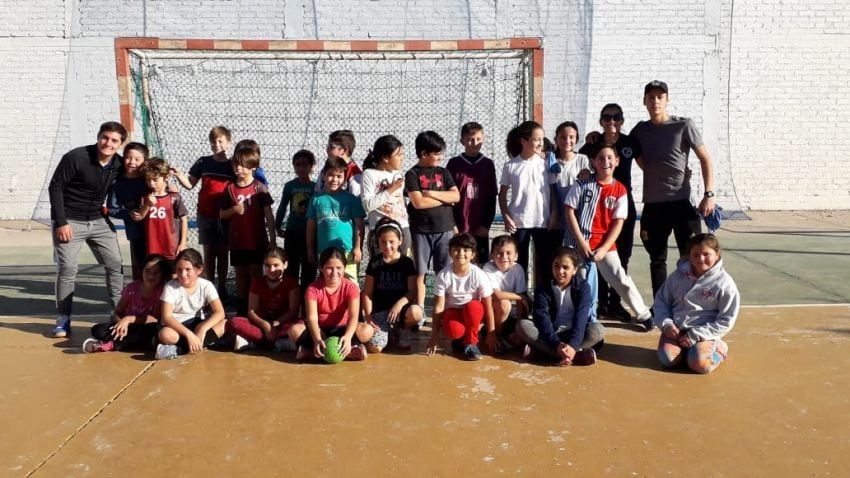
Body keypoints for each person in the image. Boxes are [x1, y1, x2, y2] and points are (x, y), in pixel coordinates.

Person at [631, 81, 716, 296]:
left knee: (690, 258)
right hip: (653, 205)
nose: (655, 101)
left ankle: (690, 302)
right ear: (645, 101)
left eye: (660, 97)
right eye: (651, 97)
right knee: (657, 260)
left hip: (681, 203)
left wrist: (709, 194)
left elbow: (705, 159)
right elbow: (620, 147)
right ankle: (661, 305)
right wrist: (592, 140)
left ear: (667, 100)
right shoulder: (640, 130)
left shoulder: (683, 125)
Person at [48, 121, 126, 338]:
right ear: (98, 136)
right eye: (105, 137)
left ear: (120, 144)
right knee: (68, 269)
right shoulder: (76, 157)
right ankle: (63, 319)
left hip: (98, 220)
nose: (108, 143)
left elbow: (138, 179)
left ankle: (117, 314)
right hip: (70, 220)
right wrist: (61, 222)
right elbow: (55, 187)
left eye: (114, 140)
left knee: (115, 265)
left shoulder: (119, 164)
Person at [564, 145, 654, 331]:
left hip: (604, 245)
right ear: (594, 162)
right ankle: (580, 319)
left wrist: (604, 248)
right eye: (601, 158)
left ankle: (643, 314)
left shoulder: (620, 190)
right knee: (580, 283)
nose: (605, 162)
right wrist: (581, 243)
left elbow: (618, 223)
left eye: (609, 158)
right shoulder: (582, 183)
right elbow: (569, 212)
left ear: (617, 161)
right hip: (578, 244)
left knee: (620, 278)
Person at [579, 103, 642, 322]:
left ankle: (616, 303)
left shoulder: (629, 143)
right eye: (607, 118)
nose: (612, 121)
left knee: (620, 255)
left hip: (623, 204)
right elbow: (580, 167)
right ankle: (601, 303)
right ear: (601, 121)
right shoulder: (593, 144)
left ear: (622, 120)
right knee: (596, 255)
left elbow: (646, 165)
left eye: (616, 117)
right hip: (597, 207)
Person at [653, 233, 739, 374]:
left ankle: (718, 348)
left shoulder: (725, 283)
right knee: (667, 360)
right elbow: (661, 302)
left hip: (704, 333)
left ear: (717, 254)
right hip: (677, 330)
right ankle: (687, 351)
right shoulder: (677, 277)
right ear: (689, 255)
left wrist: (696, 335)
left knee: (701, 365)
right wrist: (667, 324)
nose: (701, 259)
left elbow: (726, 319)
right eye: (696, 255)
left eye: (706, 254)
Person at [172, 126, 235, 299]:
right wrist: (178, 175)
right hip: (205, 214)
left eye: (220, 140)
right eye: (213, 141)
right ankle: (209, 287)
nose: (216, 144)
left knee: (223, 252)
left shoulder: (233, 165)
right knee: (209, 253)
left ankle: (221, 287)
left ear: (228, 143)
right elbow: (190, 183)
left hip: (226, 215)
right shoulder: (203, 162)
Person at [517, 247, 604, 366]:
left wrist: (573, 345)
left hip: (573, 333)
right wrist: (556, 344)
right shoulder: (543, 288)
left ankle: (543, 353)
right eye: (556, 266)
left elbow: (581, 318)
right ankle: (575, 356)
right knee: (522, 326)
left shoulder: (583, 288)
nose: (560, 271)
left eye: (565, 267)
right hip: (551, 333)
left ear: (574, 270)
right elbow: (542, 318)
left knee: (597, 330)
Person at [405, 131, 460, 306]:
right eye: (436, 153)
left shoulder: (444, 173)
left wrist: (431, 193)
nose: (440, 157)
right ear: (423, 153)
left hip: (445, 229)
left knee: (444, 272)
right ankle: (420, 310)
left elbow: (456, 197)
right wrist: (443, 199)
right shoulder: (412, 174)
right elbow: (418, 203)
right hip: (421, 231)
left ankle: (442, 309)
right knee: (421, 272)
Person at [219, 145, 276, 314]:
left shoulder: (259, 188)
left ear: (253, 167)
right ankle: (242, 309)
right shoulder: (229, 188)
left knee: (256, 274)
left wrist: (272, 239)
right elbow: (222, 214)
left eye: (243, 165)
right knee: (240, 274)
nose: (239, 169)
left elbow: (269, 216)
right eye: (236, 165)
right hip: (237, 241)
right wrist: (234, 210)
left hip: (257, 240)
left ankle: (257, 308)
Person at [291, 247, 372, 362]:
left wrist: (348, 337)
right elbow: (312, 318)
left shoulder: (351, 287)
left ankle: (313, 354)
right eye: (329, 268)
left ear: (344, 268)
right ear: (321, 268)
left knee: (367, 330)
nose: (334, 273)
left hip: (342, 329)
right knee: (294, 331)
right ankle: (342, 352)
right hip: (320, 329)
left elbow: (353, 316)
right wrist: (317, 338)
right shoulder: (312, 289)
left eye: (338, 268)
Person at [499, 120, 553, 286]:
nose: (540, 143)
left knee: (545, 263)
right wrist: (506, 216)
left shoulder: (547, 163)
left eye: (542, 139)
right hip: (519, 222)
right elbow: (502, 195)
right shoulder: (511, 166)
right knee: (519, 264)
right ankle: (521, 303)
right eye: (536, 139)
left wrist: (554, 215)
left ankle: (542, 303)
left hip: (543, 221)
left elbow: (554, 189)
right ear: (523, 141)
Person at [426, 233, 496, 361]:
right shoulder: (443, 275)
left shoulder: (479, 275)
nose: (461, 253)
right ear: (450, 253)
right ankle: (461, 340)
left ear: (473, 254)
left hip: (472, 311)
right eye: (456, 250)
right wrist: (434, 335)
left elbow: (488, 305)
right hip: (453, 311)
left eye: (466, 250)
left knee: (473, 306)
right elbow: (438, 307)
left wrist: (491, 334)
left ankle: (471, 343)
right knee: (454, 331)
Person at [82, 255, 172, 353]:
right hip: (127, 328)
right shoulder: (131, 289)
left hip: (145, 328)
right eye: (147, 271)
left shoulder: (163, 291)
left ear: (163, 274)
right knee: (98, 330)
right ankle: (127, 343)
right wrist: (120, 324)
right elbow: (117, 312)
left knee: (153, 332)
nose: (151, 276)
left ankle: (113, 345)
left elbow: (154, 319)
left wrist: (128, 320)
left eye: (156, 273)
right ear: (142, 271)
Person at [362, 219, 423, 353]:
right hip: (381, 311)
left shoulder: (407, 262)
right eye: (383, 242)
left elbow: (412, 291)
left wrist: (399, 304)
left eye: (391, 242)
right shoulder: (374, 262)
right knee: (375, 348)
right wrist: (368, 316)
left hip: (401, 311)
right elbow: (367, 293)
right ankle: (388, 332)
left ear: (400, 241)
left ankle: (402, 329)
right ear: (378, 242)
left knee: (416, 312)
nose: (387, 246)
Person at [155, 248, 226, 360]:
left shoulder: (206, 285)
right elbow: (166, 317)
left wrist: (203, 328)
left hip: (196, 324)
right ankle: (199, 344)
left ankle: (177, 350)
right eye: (179, 270)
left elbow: (220, 312)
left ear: (199, 270)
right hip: (176, 327)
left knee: (223, 324)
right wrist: (189, 335)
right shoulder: (170, 287)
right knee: (166, 335)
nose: (183, 274)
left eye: (188, 269)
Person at [226, 247, 301, 352]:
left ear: (285, 265)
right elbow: (251, 312)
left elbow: (293, 311)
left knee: (300, 325)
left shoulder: (291, 283)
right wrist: (266, 326)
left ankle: (254, 342)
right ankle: (279, 344)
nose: (271, 270)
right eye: (268, 266)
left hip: (283, 324)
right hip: (262, 325)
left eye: (276, 265)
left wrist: (277, 322)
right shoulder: (257, 282)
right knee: (234, 322)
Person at [446, 122, 498, 265]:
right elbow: (448, 199)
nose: (474, 143)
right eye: (470, 139)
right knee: (459, 262)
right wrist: (453, 224)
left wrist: (486, 225)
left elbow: (491, 197)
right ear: (462, 141)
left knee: (480, 263)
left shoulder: (488, 164)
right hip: (460, 226)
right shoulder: (454, 164)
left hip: (479, 227)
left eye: (478, 139)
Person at [306, 157, 366, 280]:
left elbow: (359, 225)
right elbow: (310, 227)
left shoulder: (351, 199)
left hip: (347, 251)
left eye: (339, 176)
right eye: (330, 175)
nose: (334, 179)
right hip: (324, 251)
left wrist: (357, 247)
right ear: (323, 175)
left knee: (350, 283)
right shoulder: (316, 199)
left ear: (345, 177)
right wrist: (310, 249)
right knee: (328, 283)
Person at [360, 135, 412, 256]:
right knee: (380, 270)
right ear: (385, 158)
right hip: (380, 229)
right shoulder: (369, 174)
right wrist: (391, 189)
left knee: (404, 266)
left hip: (402, 227)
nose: (402, 158)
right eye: (398, 155)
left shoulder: (398, 174)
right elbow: (367, 205)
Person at [106, 142, 150, 280]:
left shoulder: (149, 179)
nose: (132, 162)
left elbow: (163, 193)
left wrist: (172, 190)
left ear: (144, 161)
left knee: (160, 264)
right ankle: (140, 297)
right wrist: (128, 214)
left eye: (137, 159)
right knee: (140, 266)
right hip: (135, 231)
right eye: (128, 157)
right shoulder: (117, 182)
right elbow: (111, 209)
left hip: (155, 229)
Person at [275, 149, 317, 288]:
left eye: (304, 165)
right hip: (292, 230)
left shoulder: (315, 187)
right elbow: (282, 206)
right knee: (291, 267)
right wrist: (277, 225)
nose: (300, 168)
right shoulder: (290, 186)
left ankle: (307, 298)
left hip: (310, 233)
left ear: (311, 166)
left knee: (309, 267)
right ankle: (291, 298)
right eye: (297, 165)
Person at [482, 234, 531, 352]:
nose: (504, 257)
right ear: (492, 255)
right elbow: (496, 295)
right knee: (504, 304)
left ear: (516, 256)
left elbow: (522, 302)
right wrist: (519, 297)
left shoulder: (517, 269)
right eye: (499, 253)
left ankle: (511, 335)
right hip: (489, 313)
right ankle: (495, 334)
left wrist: (520, 326)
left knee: (519, 339)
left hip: (507, 316)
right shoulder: (488, 267)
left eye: (508, 253)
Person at [137, 158, 189, 261]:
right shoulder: (145, 198)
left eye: (155, 180)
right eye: (148, 180)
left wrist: (182, 243)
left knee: (173, 274)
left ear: (165, 177)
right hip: (152, 248)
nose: (151, 183)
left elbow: (184, 220)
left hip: (171, 248)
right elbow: (140, 217)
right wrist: (147, 205)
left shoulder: (174, 197)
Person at [548, 121, 590, 235]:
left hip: (576, 219)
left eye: (571, 137)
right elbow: (551, 189)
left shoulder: (582, 160)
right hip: (555, 219)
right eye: (563, 137)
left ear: (576, 139)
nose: (567, 141)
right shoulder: (550, 162)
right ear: (556, 139)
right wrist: (554, 213)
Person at [317, 130, 362, 196]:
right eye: (327, 146)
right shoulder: (326, 169)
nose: (327, 150)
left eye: (331, 147)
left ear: (344, 150)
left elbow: (356, 200)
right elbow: (317, 191)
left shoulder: (354, 173)